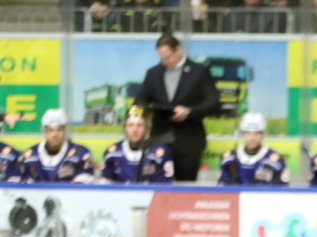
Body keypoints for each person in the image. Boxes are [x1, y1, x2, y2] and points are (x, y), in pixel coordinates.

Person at [134, 34, 221, 182]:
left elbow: (213, 103)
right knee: (156, 183)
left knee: (185, 186)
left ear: (178, 50)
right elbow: (138, 103)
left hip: (189, 141)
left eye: (168, 58)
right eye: (161, 58)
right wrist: (148, 112)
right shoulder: (153, 73)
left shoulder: (199, 72)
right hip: (159, 140)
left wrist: (189, 112)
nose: (164, 62)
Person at [99, 106, 174, 184]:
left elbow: (164, 186)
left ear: (146, 129)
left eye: (139, 125)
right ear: (125, 128)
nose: (134, 130)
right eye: (130, 125)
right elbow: (106, 186)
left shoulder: (159, 154)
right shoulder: (112, 153)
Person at [17, 109, 94, 184]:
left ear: (65, 130)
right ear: (44, 131)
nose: (55, 134)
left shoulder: (80, 153)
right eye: (50, 130)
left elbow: (83, 187)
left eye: (59, 130)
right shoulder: (29, 155)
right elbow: (20, 186)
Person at [218, 113, 290, 186]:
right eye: (248, 133)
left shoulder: (273, 160)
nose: (252, 138)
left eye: (256, 134)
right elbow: (222, 186)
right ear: (242, 134)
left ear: (263, 135)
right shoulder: (231, 158)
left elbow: (281, 188)